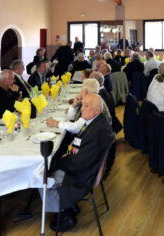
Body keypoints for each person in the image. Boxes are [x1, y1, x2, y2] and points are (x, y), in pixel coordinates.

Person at [43, 93, 115, 232]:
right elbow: (81, 149)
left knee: (44, 173)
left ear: (97, 110)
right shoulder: (97, 121)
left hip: (83, 176)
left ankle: (64, 213)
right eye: (83, 105)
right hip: (85, 165)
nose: (82, 109)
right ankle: (70, 205)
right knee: (56, 157)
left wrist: (59, 161)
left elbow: (77, 164)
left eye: (87, 106)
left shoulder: (95, 132)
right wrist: (68, 153)